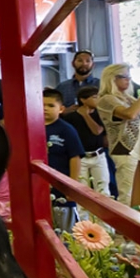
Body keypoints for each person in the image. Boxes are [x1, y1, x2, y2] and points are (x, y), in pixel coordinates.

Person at [95, 63, 140, 206]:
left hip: (136, 150)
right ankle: (126, 227)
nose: (128, 80)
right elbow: (130, 114)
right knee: (129, 193)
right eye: (124, 77)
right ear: (112, 78)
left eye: (129, 77)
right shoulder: (106, 99)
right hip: (124, 149)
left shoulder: (127, 98)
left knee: (139, 191)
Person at [42, 89, 85, 233]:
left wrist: (72, 187)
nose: (45, 109)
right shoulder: (32, 127)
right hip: (40, 188)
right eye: (41, 105)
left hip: (61, 188)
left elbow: (75, 157)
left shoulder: (67, 130)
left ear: (61, 109)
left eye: (50, 105)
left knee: (66, 232)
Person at [62, 86, 111, 200]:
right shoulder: (71, 117)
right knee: (81, 189)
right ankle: (83, 217)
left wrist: (86, 115)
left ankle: (103, 217)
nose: (98, 100)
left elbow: (97, 131)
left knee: (103, 187)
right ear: (83, 100)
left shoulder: (100, 113)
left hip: (98, 154)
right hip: (81, 157)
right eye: (94, 97)